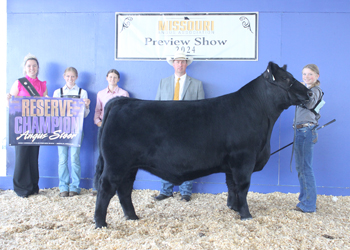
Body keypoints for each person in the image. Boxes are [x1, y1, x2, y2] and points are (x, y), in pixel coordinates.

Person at [154, 51, 205, 202]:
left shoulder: (197, 84)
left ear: (186, 64)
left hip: (188, 128)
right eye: (177, 61)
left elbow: (202, 109)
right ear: (173, 64)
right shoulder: (163, 82)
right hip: (166, 128)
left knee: (188, 159)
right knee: (164, 159)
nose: (180, 64)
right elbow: (156, 106)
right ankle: (166, 190)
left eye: (183, 61)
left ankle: (185, 192)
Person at [6, 54, 48, 198]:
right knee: (22, 155)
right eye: (29, 66)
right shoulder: (19, 83)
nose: (32, 68)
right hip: (21, 125)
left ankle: (32, 186)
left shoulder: (43, 85)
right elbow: (10, 104)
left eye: (34, 66)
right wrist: (7, 99)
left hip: (36, 125)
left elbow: (46, 105)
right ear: (25, 68)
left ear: (38, 68)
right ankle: (21, 188)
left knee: (33, 155)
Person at [53, 67, 91, 197]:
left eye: (73, 76)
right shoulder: (58, 92)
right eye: (68, 76)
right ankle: (63, 187)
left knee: (74, 158)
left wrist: (86, 106)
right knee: (62, 159)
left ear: (76, 77)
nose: (70, 78)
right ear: (64, 76)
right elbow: (53, 113)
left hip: (76, 131)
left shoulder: (82, 92)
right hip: (60, 131)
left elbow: (85, 115)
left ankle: (75, 187)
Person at [92, 69, 129, 195]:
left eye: (115, 77)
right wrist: (99, 123)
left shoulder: (124, 94)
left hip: (119, 130)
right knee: (102, 156)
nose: (112, 79)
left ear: (118, 79)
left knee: (119, 157)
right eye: (110, 77)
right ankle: (98, 186)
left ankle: (119, 185)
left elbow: (127, 114)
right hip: (104, 128)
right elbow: (97, 111)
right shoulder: (101, 94)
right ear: (107, 78)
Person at [293, 64, 323, 213]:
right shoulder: (310, 90)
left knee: (305, 168)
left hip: (305, 131)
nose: (306, 77)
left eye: (310, 74)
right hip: (302, 131)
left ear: (317, 76)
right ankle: (305, 201)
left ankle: (309, 204)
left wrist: (301, 89)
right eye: (304, 74)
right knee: (302, 168)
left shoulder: (315, 91)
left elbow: (309, 102)